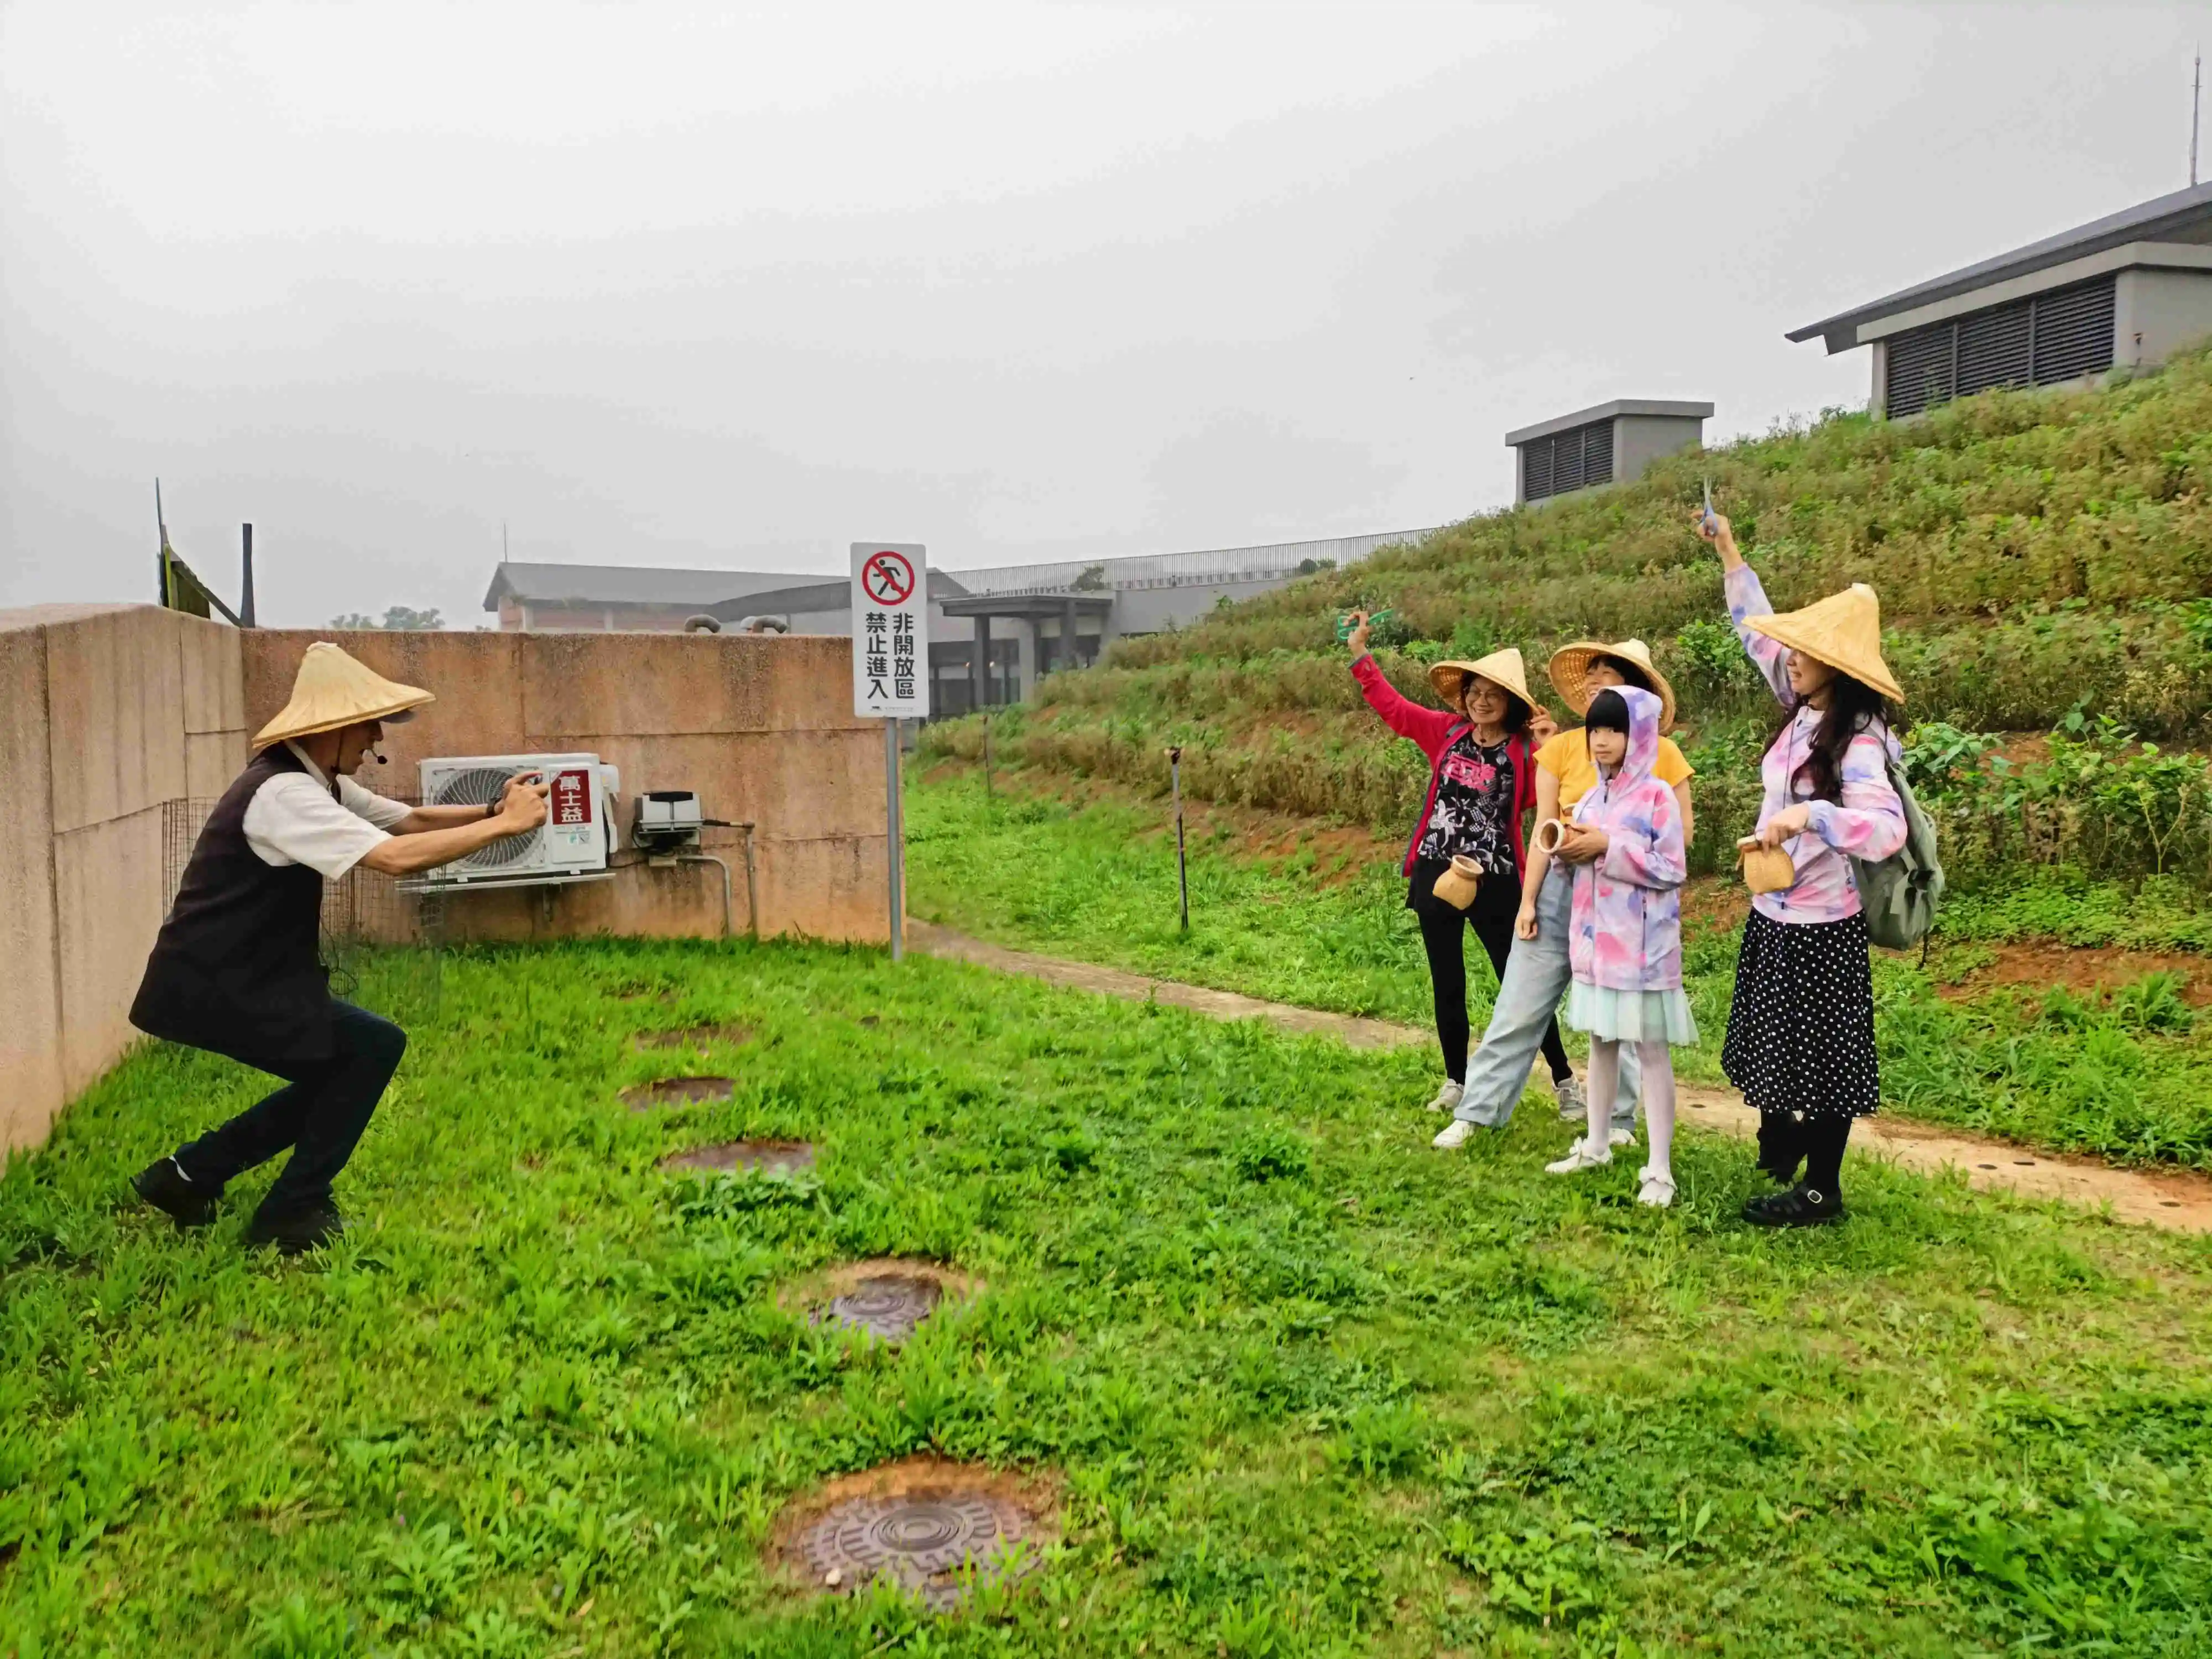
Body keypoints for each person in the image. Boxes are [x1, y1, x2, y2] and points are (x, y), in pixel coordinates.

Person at [127, 642, 550, 1253]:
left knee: (352, 1063)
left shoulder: (316, 782)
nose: (377, 735)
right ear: (334, 728)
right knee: (366, 1053)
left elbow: (406, 821)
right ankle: (287, 1210)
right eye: (369, 722)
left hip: (242, 981)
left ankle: (188, 1175)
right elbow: (396, 858)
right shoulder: (284, 794)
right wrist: (506, 826)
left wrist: (492, 806)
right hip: (216, 988)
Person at [1698, 511, 1907, 1227]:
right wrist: (1728, 550)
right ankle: (1781, 1136)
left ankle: (1822, 1191)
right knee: (1775, 1041)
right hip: (1776, 911)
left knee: (1824, 1066)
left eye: (1808, 650)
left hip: (1823, 924)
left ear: (1840, 669)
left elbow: (1884, 829)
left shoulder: (1859, 744)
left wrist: (1809, 816)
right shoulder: (1801, 708)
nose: (1791, 656)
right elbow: (1757, 626)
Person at [1433, 639, 1695, 1152]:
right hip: (1561, 882)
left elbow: (1680, 836)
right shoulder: (1564, 748)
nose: (1597, 681)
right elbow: (1543, 828)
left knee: (1618, 1011)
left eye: (1610, 673)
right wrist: (1528, 902)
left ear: (1635, 692)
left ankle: (1619, 1122)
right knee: (1519, 1000)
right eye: (1592, 673)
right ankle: (1478, 1111)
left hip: (1626, 894)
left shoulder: (1666, 755)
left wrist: (1611, 846)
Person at [1344, 612, 1577, 1117]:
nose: (1480, 700)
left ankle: (1563, 1079)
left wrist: (1549, 747)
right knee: (1446, 978)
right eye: (1474, 690)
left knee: (1518, 981)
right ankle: (1456, 1079)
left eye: (1492, 693)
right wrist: (1362, 657)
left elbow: (1562, 796)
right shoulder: (1446, 732)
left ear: (1510, 701)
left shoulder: (1524, 751)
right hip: (1437, 869)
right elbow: (1397, 710)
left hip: (1497, 879)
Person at [1530, 686, 1695, 1207]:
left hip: (1643, 953)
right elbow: (1576, 861)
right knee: (1600, 1044)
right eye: (1595, 730)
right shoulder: (1592, 798)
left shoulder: (1657, 796)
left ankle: (1660, 1170)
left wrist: (1608, 846)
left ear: (1639, 735)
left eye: (1614, 730)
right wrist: (1566, 847)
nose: (1601, 741)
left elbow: (1673, 868)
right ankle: (1597, 1144)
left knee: (1650, 1052)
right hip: (1597, 947)